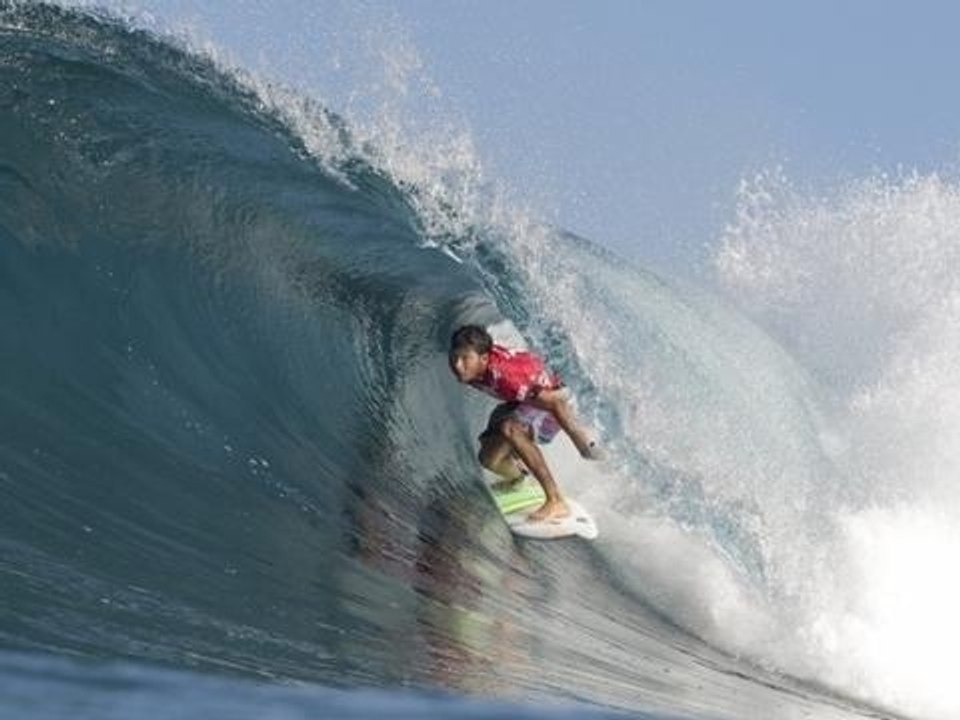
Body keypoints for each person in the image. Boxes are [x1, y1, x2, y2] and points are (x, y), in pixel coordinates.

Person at [448, 324, 602, 522]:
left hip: (555, 400)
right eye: (454, 357)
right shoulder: (474, 368)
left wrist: (583, 444)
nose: (457, 365)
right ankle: (519, 477)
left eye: (465, 359)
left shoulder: (506, 377)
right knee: (488, 459)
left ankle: (556, 500)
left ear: (484, 359)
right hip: (525, 399)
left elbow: (555, 402)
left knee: (510, 428)